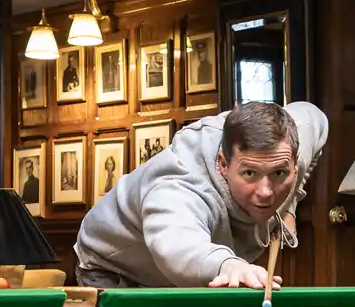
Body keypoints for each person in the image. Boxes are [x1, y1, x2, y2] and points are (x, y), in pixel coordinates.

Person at [76, 100, 328, 289]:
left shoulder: (297, 134)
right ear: (223, 164)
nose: (265, 192)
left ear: (295, 163)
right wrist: (228, 265)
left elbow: (316, 118)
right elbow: (178, 247)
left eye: (279, 174)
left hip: (188, 271)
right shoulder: (181, 182)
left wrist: (290, 206)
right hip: (114, 268)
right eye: (250, 173)